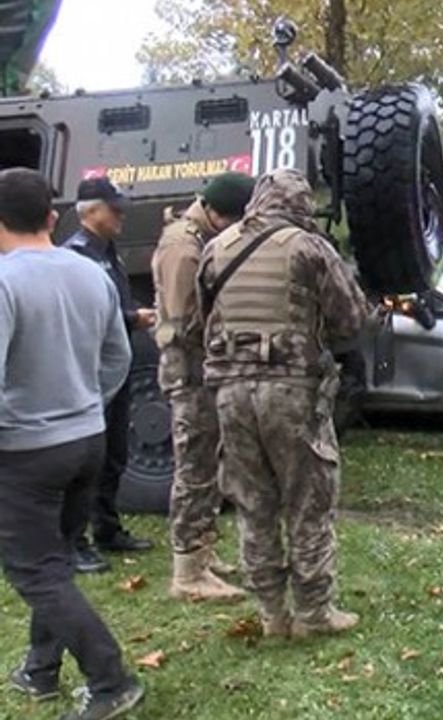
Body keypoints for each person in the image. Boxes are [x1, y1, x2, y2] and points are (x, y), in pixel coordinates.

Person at [198, 169, 369, 638]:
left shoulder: (218, 247)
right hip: (290, 389)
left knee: (254, 502)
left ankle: (272, 612)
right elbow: (351, 319)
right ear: (301, 204)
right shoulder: (308, 248)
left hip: (230, 392)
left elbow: (203, 321)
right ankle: (314, 613)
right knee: (308, 498)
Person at [0, 168, 144, 719]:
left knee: (35, 572)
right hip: (88, 438)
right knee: (55, 559)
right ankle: (40, 670)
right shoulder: (91, 274)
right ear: (53, 217)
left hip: (26, 450)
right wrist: (88, 404)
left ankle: (109, 680)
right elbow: (119, 358)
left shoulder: (7, 281)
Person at [151, 172, 255, 603]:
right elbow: (184, 316)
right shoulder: (182, 244)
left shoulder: (198, 236)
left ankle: (203, 553)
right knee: (194, 466)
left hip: (202, 368)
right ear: (216, 213)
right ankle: (188, 571)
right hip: (189, 369)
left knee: (208, 462)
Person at [63, 177, 155, 573]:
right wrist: (133, 317)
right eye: (113, 208)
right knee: (86, 461)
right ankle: (72, 541)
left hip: (114, 367)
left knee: (115, 453)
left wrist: (134, 311)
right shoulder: (77, 256)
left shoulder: (107, 252)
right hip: (89, 370)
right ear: (91, 211)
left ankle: (107, 528)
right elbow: (84, 314)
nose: (120, 215)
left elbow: (114, 298)